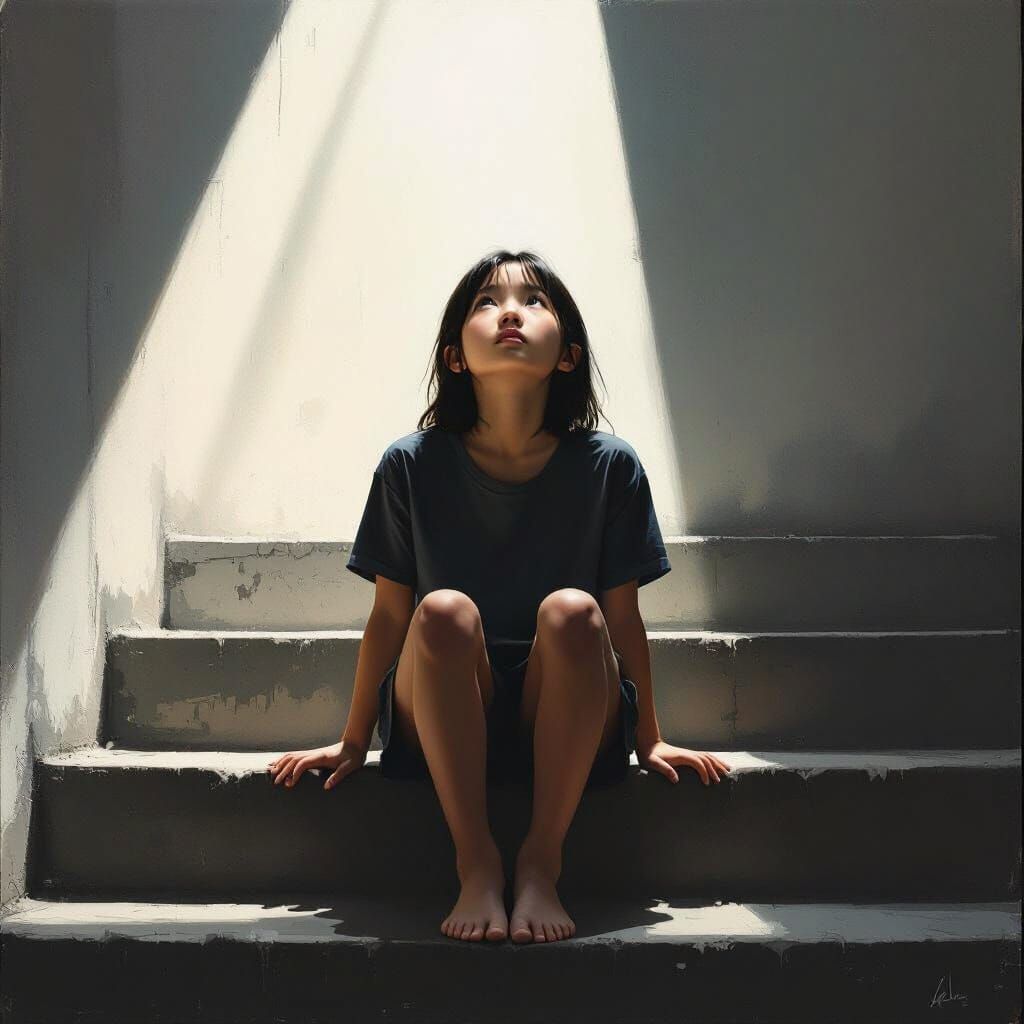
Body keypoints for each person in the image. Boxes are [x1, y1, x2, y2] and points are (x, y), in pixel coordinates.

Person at [268, 249, 732, 945]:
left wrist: (649, 736)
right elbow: (390, 616)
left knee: (574, 610)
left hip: (569, 699)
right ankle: (477, 858)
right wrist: (354, 738)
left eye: (534, 301)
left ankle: (542, 858)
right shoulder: (410, 464)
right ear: (456, 355)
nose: (510, 311)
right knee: (443, 610)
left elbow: (622, 618)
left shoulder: (611, 467)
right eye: (486, 301)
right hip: (450, 697)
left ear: (568, 355)